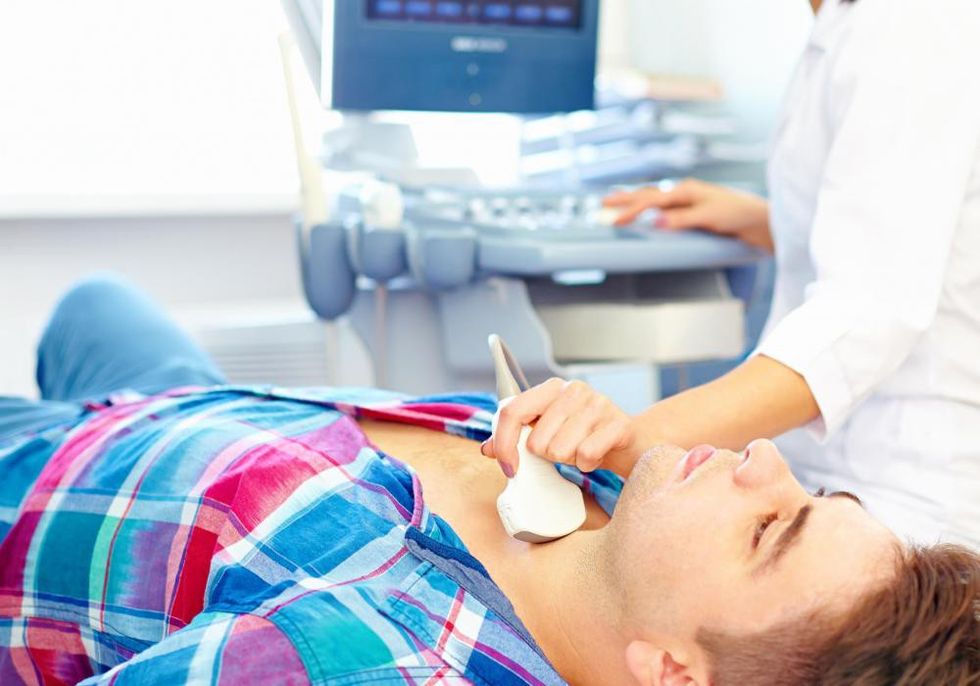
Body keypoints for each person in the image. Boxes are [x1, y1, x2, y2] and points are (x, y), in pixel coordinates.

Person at [0, 277, 977, 685]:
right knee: (97, 304)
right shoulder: (608, 504)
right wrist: (614, 452)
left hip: (38, 496)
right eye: (811, 497)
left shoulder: (375, 658)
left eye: (769, 529)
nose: (765, 460)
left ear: (675, 669)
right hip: (181, 417)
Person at [484, 0, 980, 548]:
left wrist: (639, 442)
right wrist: (767, 220)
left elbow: (870, 310)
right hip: (836, 476)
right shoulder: (844, 23)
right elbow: (912, 229)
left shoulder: (908, 22)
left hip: (905, 494)